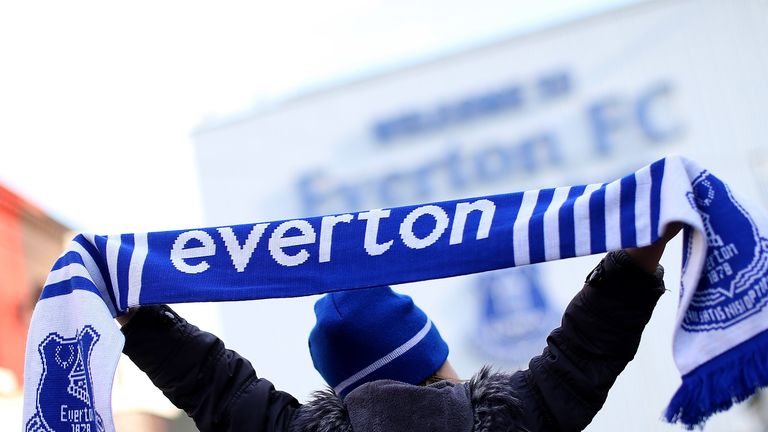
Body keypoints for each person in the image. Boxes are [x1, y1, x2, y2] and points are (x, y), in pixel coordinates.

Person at [117, 227, 678, 432]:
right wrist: (645, 247)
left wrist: (135, 316)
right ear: (432, 358)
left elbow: (215, 385)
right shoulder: (513, 419)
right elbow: (588, 346)